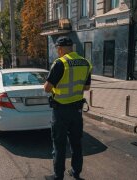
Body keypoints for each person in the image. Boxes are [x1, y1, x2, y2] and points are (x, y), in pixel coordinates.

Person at [44, 37, 92, 180]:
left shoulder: (60, 63)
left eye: (57, 48)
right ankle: (76, 172)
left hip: (60, 112)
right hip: (77, 111)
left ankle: (58, 176)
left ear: (60, 48)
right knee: (76, 143)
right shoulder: (85, 63)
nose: (57, 51)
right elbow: (87, 87)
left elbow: (47, 88)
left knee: (59, 144)